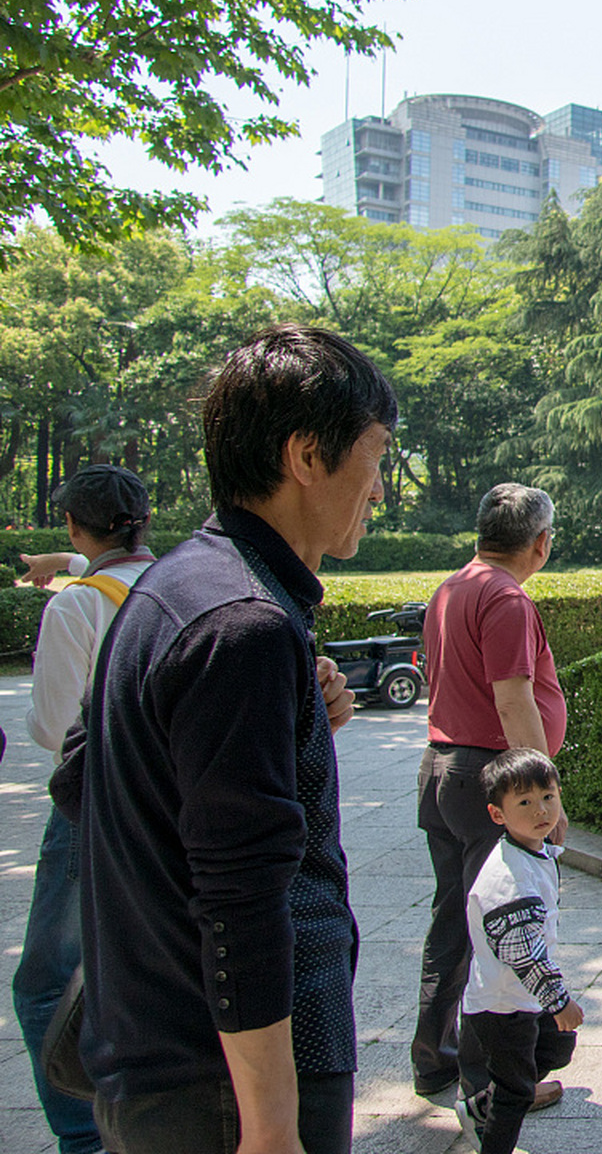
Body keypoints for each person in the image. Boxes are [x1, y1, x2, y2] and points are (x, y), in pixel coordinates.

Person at [79, 324, 393, 1154]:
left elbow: (86, 777)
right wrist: (271, 1127)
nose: (381, 488)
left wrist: (286, 719)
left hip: (159, 1055)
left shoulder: (180, 585)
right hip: (222, 1084)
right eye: (377, 455)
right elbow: (243, 895)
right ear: (306, 455)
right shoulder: (245, 625)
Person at [15, 465, 156, 1154]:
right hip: (160, 811)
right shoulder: (169, 585)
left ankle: (83, 1137)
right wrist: (71, 563)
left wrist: (72, 575)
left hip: (90, 809)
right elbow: (114, 574)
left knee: (42, 983)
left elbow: (51, 729)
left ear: (73, 524)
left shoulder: (74, 607)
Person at [413, 482, 568, 1110]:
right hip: (487, 776)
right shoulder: (505, 598)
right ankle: (491, 1089)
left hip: (443, 766)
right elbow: (512, 698)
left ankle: (434, 1064)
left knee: (455, 922)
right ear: (541, 543)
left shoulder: (452, 587)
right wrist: (540, 796)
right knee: (499, 931)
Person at [455, 749, 583, 1153]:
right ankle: (492, 1122)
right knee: (515, 1092)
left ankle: (481, 1105)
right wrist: (558, 1000)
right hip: (502, 1005)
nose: (540, 810)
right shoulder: (508, 880)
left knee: (556, 1046)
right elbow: (522, 953)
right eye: (524, 803)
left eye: (548, 796)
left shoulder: (533, 850)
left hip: (523, 997)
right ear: (498, 815)